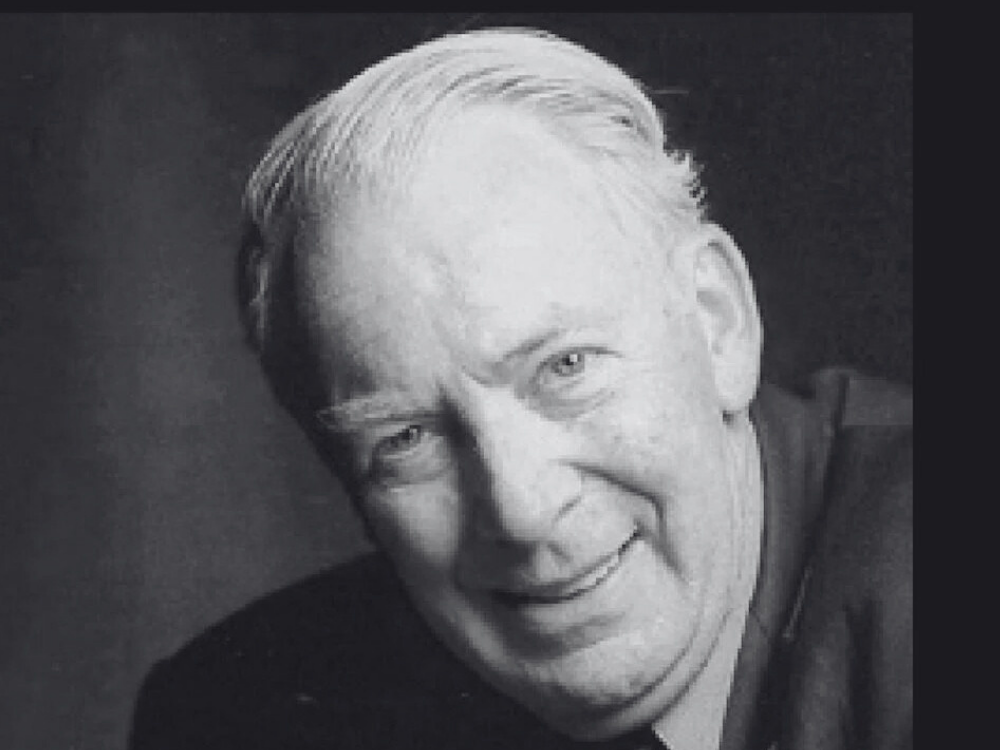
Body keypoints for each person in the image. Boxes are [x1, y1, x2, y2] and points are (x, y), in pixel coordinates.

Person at [129, 27, 912, 750]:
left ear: (717, 321)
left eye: (565, 368)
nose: (521, 511)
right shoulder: (236, 718)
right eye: (407, 439)